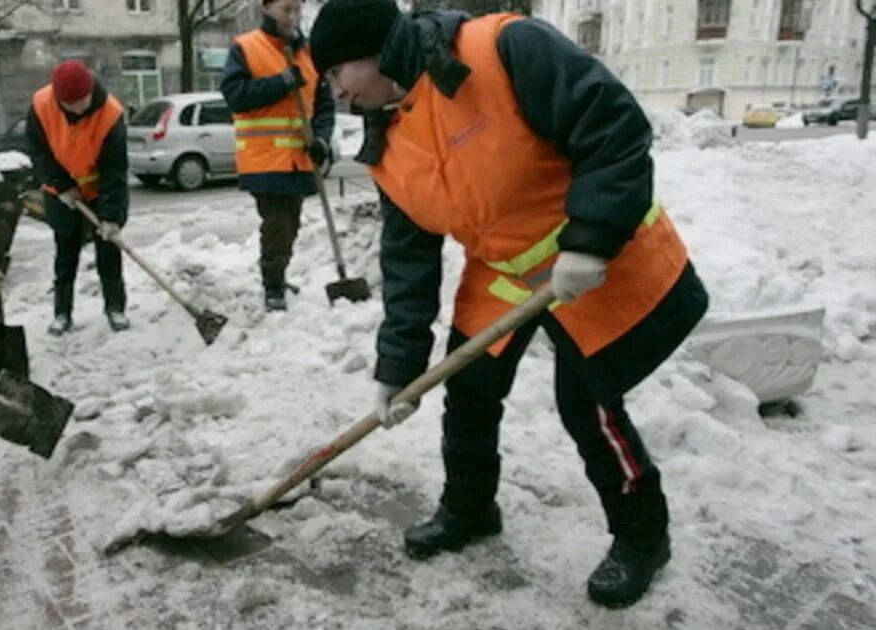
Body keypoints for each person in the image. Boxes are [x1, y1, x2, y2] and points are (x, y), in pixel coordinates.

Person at [309, 0, 710, 608]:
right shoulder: (388, 145)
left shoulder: (502, 49)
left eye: (337, 73)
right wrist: (399, 371)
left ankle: (642, 537)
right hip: (507, 271)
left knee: (587, 404)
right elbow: (409, 266)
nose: (335, 93)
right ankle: (470, 509)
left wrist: (591, 237)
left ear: (375, 50)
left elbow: (614, 127)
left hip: (599, 255)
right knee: (468, 388)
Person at [220, 0, 335, 311]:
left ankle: (278, 275)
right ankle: (272, 286)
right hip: (263, 160)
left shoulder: (309, 53)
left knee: (291, 224)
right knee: (277, 224)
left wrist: (322, 141)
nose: (293, 16)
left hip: (299, 159)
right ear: (267, 7)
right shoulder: (246, 47)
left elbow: (324, 104)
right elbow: (235, 96)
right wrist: (281, 82)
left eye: (297, 9)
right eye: (286, 9)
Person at [26, 60, 130, 335]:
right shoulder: (41, 105)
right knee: (65, 253)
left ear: (90, 91)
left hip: (100, 193)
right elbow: (38, 153)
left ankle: (115, 308)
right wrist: (61, 186)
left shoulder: (110, 114)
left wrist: (111, 217)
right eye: (68, 104)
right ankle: (62, 312)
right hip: (61, 194)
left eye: (81, 101)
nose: (76, 108)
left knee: (109, 252)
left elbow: (115, 170)